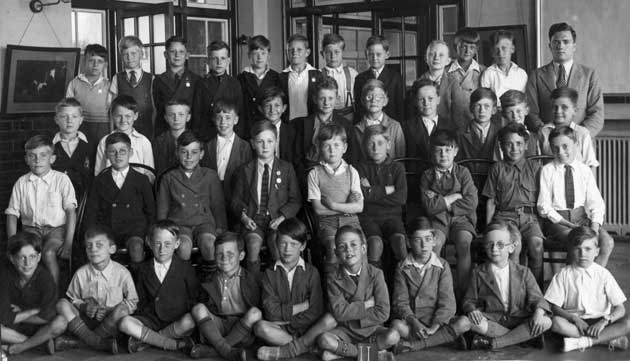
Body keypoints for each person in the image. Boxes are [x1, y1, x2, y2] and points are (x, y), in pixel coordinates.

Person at [452, 222, 552, 350]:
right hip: (493, 320)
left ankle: (494, 343)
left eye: (500, 244)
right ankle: (524, 338)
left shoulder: (523, 272)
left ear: (511, 247)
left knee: (546, 321)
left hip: (519, 319)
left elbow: (537, 299)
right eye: (490, 245)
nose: (494, 249)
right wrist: (472, 310)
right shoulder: (478, 272)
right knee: (468, 322)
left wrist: (539, 312)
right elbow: (468, 300)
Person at [118, 220, 207, 353]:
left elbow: (194, 296)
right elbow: (140, 300)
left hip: (176, 320)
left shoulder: (185, 268)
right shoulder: (143, 269)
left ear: (177, 244)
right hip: (151, 320)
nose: (162, 249)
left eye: (167, 244)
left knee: (190, 320)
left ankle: (148, 341)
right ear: (149, 243)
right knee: (124, 323)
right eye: (157, 244)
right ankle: (173, 344)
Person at [255, 218, 337, 360]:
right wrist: (301, 307)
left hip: (309, 328)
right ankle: (307, 347)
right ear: (276, 244)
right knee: (260, 327)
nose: (287, 249)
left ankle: (292, 349)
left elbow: (316, 310)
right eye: (283, 243)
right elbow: (270, 312)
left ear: (303, 246)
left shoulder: (312, 272)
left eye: (293, 244)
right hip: (282, 331)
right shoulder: (269, 274)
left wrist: (289, 322)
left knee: (330, 319)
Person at [317, 226, 398, 361]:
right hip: (345, 331)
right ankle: (373, 354)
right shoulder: (333, 277)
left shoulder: (376, 274)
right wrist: (367, 304)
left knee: (393, 336)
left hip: (371, 329)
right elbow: (339, 313)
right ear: (336, 253)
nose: (349, 250)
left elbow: (384, 312)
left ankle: (344, 352)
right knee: (324, 340)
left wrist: (352, 315)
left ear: (364, 249)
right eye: (342, 247)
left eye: (353, 245)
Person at [537, 126, 614, 270]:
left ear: (576, 144)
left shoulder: (584, 170)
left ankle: (591, 282)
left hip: (582, 219)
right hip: (558, 222)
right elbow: (543, 206)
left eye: (565, 146)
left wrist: (595, 228)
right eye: (555, 148)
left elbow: (595, 202)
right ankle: (572, 283)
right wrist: (567, 223)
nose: (560, 152)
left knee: (607, 242)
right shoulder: (547, 171)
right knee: (580, 241)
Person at [231, 120, 302, 273]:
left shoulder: (286, 168)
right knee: (253, 246)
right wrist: (244, 218)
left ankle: (279, 284)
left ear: (276, 142)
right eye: (260, 141)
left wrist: (281, 218)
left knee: (278, 248)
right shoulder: (244, 170)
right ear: (252, 144)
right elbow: (235, 201)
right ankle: (254, 286)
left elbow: (295, 200)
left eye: (269, 141)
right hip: (253, 221)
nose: (265, 146)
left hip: (277, 222)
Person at [5, 135, 77, 284]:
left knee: (48, 253)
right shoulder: (21, 182)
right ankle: (30, 293)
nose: (38, 160)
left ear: (52, 158)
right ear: (26, 159)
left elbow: (71, 212)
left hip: (56, 230)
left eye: (43, 155)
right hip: (30, 230)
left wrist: (68, 243)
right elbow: (12, 214)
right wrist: (13, 242)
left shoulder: (61, 180)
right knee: (26, 254)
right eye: (32, 156)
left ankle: (52, 295)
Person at [54, 225, 138, 354]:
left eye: (99, 245)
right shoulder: (81, 273)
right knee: (61, 304)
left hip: (111, 323)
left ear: (112, 249)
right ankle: (98, 343)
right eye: (89, 246)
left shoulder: (122, 273)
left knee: (122, 310)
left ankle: (81, 343)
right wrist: (85, 307)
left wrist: (110, 310)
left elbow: (132, 302)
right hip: (86, 323)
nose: (93, 250)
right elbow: (73, 300)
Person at [545, 226, 630, 353]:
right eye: (577, 249)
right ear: (571, 251)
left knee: (627, 323)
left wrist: (604, 321)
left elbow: (620, 308)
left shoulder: (603, 274)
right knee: (556, 323)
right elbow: (554, 307)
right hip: (575, 322)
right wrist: (575, 319)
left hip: (600, 322)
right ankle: (606, 339)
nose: (582, 254)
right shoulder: (563, 274)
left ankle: (582, 342)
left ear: (596, 251)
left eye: (588, 249)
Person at [157, 130, 227, 277]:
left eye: (194, 152)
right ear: (177, 153)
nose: (189, 157)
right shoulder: (169, 178)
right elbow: (163, 210)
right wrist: (162, 232)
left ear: (201, 154)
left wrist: (221, 229)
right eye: (184, 152)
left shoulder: (210, 175)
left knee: (210, 246)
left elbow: (218, 206)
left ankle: (210, 283)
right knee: (183, 247)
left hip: (204, 222)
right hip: (179, 223)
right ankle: (185, 283)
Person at [483, 122, 544, 285]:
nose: (514, 148)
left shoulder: (535, 167)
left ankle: (535, 292)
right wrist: (489, 228)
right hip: (505, 217)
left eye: (518, 144)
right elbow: (490, 201)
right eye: (508, 144)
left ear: (526, 145)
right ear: (501, 147)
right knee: (513, 247)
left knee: (536, 245)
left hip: (529, 218)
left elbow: (544, 200)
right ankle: (513, 292)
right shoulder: (497, 168)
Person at [420, 129, 477, 300]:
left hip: (462, 220)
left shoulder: (463, 172)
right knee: (434, 246)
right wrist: (453, 197)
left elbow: (472, 202)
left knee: (464, 243)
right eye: (438, 150)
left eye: (447, 149)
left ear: (455, 151)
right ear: (432, 153)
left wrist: (441, 202)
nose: (443, 154)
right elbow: (429, 207)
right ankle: (435, 293)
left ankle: (464, 293)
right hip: (437, 222)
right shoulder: (427, 176)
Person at [85, 132, 155, 269]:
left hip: (134, 229)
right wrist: (91, 234)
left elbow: (151, 211)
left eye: (123, 151)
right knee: (99, 250)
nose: (118, 155)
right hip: (108, 229)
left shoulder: (141, 179)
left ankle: (137, 283)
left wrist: (150, 233)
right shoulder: (100, 181)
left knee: (136, 248)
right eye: (113, 151)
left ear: (131, 152)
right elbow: (91, 212)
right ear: (106, 154)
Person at [189, 232, 262, 361]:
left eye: (230, 254)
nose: (224, 258)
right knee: (198, 308)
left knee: (256, 313)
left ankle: (215, 351)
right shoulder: (207, 279)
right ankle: (227, 351)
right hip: (217, 327)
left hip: (242, 329)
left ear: (241, 255)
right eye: (219, 254)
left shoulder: (251, 279)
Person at [390, 217, 457, 353]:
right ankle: (439, 341)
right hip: (414, 323)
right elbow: (400, 302)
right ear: (409, 242)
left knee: (463, 323)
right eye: (417, 240)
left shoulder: (442, 266)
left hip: (437, 323)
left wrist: (434, 327)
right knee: (396, 325)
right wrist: (415, 323)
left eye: (427, 239)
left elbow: (447, 302)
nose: (424, 245)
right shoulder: (402, 267)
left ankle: (416, 345)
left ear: (434, 240)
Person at [525, 22, 603, 137]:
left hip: (580, 143)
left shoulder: (589, 75)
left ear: (574, 46)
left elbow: (597, 114)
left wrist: (578, 136)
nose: (560, 46)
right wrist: (545, 133)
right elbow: (531, 112)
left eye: (566, 42)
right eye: (556, 42)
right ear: (550, 46)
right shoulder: (536, 76)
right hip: (547, 143)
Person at [307, 123, 363, 274]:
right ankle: (331, 289)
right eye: (327, 146)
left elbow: (359, 207)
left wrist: (332, 205)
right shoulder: (315, 173)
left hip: (351, 222)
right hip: (327, 224)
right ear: (319, 148)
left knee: (361, 248)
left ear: (344, 148)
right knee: (333, 247)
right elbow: (318, 210)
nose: (332, 150)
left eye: (337, 145)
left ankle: (359, 289)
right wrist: (346, 207)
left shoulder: (352, 172)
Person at [0, 232, 67, 355]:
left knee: (61, 322)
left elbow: (48, 315)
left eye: (32, 257)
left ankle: (20, 347)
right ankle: (38, 344)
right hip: (14, 328)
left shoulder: (45, 279)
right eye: (22, 257)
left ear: (39, 257)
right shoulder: (4, 274)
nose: (28, 263)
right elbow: (3, 316)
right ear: (12, 259)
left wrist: (20, 313)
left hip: (38, 327)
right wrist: (32, 311)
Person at [356, 124, 408, 268]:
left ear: (388, 145)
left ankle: (403, 284)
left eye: (380, 143)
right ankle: (374, 283)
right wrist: (388, 190)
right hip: (368, 217)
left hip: (393, 217)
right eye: (371, 143)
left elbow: (401, 198)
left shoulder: (397, 168)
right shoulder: (360, 168)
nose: (375, 148)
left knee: (400, 243)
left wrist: (372, 191)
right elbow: (362, 196)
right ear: (365, 146)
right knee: (375, 244)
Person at [293, 77, 354, 175]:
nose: (326, 103)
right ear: (315, 99)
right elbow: (297, 158)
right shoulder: (302, 125)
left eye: (330, 98)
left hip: (336, 177)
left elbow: (351, 156)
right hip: (308, 175)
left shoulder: (346, 125)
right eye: (322, 98)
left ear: (337, 99)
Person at [201, 99, 253, 210]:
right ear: (214, 119)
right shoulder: (207, 146)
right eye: (219, 118)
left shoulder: (245, 147)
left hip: (236, 198)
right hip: (212, 198)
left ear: (236, 120)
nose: (223, 122)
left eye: (228, 118)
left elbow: (248, 177)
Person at [94, 95, 155, 180]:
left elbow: (150, 174)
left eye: (128, 116)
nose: (123, 120)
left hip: (137, 189)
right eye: (119, 116)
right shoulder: (104, 141)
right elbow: (98, 173)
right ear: (112, 116)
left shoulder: (144, 142)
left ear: (135, 116)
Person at [152, 36, 204, 136]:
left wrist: (195, 134)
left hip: (189, 132)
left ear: (187, 55)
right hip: (165, 132)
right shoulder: (158, 81)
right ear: (165, 54)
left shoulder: (196, 80)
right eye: (172, 51)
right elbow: (158, 111)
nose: (177, 55)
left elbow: (198, 112)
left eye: (181, 52)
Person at [538, 87, 599, 169]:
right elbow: (538, 163)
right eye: (555, 107)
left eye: (564, 107)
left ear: (575, 110)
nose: (558, 111)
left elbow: (590, 164)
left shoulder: (582, 133)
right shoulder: (544, 132)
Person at [195, 40, 245, 140]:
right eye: (214, 58)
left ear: (229, 61)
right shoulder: (201, 83)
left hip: (228, 134)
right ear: (208, 61)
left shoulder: (234, 84)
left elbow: (240, 113)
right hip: (207, 135)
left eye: (223, 58)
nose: (219, 62)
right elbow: (197, 115)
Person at [65, 44, 111, 152]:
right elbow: (68, 108)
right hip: (81, 126)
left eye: (100, 61)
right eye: (91, 61)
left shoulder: (109, 85)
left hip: (103, 127)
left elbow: (112, 110)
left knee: (101, 157)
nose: (95, 65)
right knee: (82, 156)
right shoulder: (74, 83)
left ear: (105, 65)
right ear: (84, 62)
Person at [108, 36, 155, 138]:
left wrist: (154, 132)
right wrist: (112, 132)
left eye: (133, 53)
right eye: (125, 54)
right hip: (123, 129)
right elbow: (112, 107)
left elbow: (154, 109)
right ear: (121, 56)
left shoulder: (150, 78)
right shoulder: (117, 78)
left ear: (141, 54)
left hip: (146, 130)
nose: (130, 58)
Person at [456, 87, 501, 189]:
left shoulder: (500, 133)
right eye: (478, 106)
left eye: (486, 106)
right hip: (467, 186)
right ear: (471, 108)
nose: (482, 111)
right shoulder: (459, 133)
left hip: (492, 186)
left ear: (494, 110)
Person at [352, 79, 405, 163]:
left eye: (378, 98)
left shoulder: (395, 126)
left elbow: (401, 157)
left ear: (385, 101)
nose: (373, 101)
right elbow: (355, 159)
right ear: (362, 100)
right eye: (369, 97)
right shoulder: (356, 129)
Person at [442, 27, 486, 128]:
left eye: (471, 47)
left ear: (477, 49)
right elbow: (443, 106)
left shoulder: (484, 71)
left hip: (478, 126)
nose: (467, 51)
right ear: (456, 47)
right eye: (463, 47)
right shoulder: (445, 72)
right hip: (453, 126)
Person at [353, 35, 404, 122]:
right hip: (367, 125)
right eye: (371, 54)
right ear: (366, 55)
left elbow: (400, 108)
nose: (374, 58)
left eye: (378, 54)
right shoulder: (360, 79)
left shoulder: (395, 77)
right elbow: (358, 107)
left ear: (387, 55)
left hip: (389, 125)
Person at [238, 35, 281, 135]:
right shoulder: (241, 78)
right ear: (249, 55)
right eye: (255, 53)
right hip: (247, 129)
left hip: (268, 129)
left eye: (263, 53)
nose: (259, 57)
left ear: (269, 55)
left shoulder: (276, 78)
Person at [405, 79, 457, 161]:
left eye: (430, 98)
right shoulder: (406, 126)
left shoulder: (450, 126)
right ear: (415, 101)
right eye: (421, 99)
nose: (426, 103)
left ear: (438, 100)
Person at [52, 97, 92, 200]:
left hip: (83, 199)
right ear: (56, 119)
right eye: (64, 116)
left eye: (74, 116)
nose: (69, 120)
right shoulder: (50, 147)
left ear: (81, 120)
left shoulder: (90, 146)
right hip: (56, 199)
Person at [279, 34, 324, 122]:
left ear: (307, 52)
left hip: (311, 124)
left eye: (299, 49)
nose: (294, 52)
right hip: (289, 123)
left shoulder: (318, 75)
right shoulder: (281, 77)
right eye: (291, 50)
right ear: (287, 53)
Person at [480, 30, 528, 104]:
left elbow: (524, 101)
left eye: (504, 48)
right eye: (496, 49)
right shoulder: (488, 74)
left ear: (512, 49)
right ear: (492, 52)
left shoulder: (521, 74)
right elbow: (486, 102)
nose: (500, 53)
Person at [320, 33, 358, 123]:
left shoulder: (352, 74)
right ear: (322, 54)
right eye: (328, 52)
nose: (333, 56)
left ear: (342, 53)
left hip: (349, 117)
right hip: (326, 118)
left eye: (337, 52)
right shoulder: (318, 74)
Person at [493, 90, 540, 160]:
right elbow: (498, 162)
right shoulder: (499, 139)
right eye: (510, 112)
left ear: (526, 111)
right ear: (503, 114)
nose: (515, 115)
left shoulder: (534, 138)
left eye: (518, 111)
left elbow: (538, 162)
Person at [153, 99, 191, 177]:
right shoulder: (158, 142)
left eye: (181, 114)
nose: (176, 119)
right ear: (166, 118)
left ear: (188, 117)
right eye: (171, 115)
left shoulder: (196, 141)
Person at [258, 87, 296, 164]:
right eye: (268, 105)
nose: (272, 110)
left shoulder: (292, 132)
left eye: (277, 105)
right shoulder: (256, 131)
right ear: (261, 109)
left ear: (284, 108)